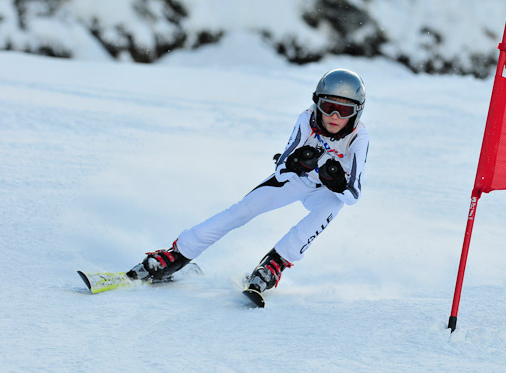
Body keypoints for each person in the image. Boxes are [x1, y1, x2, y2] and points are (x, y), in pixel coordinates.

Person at [126, 68, 369, 294]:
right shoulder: (306, 120)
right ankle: (177, 256)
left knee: (332, 205)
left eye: (344, 111)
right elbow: (282, 168)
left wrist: (337, 183)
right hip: (298, 180)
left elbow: (353, 195)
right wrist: (295, 165)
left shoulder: (359, 137)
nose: (334, 116)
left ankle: (275, 264)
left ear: (357, 112)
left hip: (326, 192)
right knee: (241, 210)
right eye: (328, 107)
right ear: (317, 103)